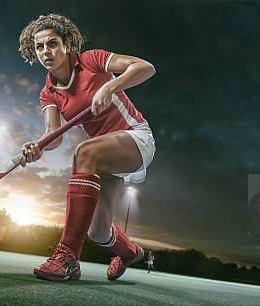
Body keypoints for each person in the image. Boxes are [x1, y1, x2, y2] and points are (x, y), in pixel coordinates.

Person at [18, 14, 156, 282]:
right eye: (40, 47)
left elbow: (145, 67)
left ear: (67, 44)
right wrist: (38, 147)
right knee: (99, 232)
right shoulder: (49, 93)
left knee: (84, 152)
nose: (46, 52)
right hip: (103, 158)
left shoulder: (91, 60)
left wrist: (111, 86)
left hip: (134, 139)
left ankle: (68, 257)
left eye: (53, 43)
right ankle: (129, 252)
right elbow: (53, 135)